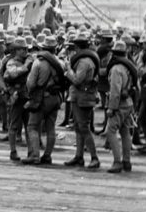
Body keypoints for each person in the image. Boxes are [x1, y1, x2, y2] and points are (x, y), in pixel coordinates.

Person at [22, 35, 63, 165]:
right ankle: (47, 155)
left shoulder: (38, 62)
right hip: (55, 98)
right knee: (51, 127)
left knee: (32, 126)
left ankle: (34, 155)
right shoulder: (60, 62)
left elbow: (31, 83)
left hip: (41, 98)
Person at [63, 31, 100, 169]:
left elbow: (78, 80)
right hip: (81, 96)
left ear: (78, 47)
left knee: (83, 127)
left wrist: (68, 71)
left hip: (82, 97)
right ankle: (79, 156)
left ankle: (94, 157)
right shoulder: (87, 59)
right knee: (79, 127)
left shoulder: (84, 62)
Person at [105, 39, 137, 173]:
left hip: (119, 105)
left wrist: (111, 108)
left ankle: (117, 161)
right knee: (125, 132)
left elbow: (115, 91)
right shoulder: (130, 66)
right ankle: (127, 161)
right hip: (128, 102)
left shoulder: (116, 69)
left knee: (110, 131)